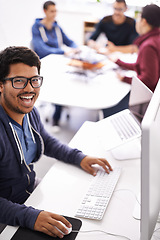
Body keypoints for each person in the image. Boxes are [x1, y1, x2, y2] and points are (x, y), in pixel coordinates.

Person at [0, 46, 112, 238]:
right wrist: (31, 217)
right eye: (19, 81)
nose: (29, 89)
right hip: (8, 213)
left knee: (81, 207)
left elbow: (45, 140)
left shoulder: (29, 112)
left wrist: (79, 157)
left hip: (29, 192)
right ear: (1, 85)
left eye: (34, 80)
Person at [32, 1, 78, 127]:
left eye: (55, 11)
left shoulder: (56, 26)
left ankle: (59, 107)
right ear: (45, 11)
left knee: (69, 77)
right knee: (61, 83)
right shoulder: (36, 27)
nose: (54, 14)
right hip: (45, 64)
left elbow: (68, 41)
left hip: (59, 62)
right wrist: (64, 51)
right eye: (52, 11)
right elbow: (41, 49)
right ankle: (56, 118)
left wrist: (76, 48)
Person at [110, 4, 160, 93]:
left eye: (139, 17)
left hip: (147, 98)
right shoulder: (156, 38)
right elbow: (142, 66)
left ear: (144, 21)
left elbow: (149, 80)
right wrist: (118, 62)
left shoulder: (148, 45)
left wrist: (124, 79)